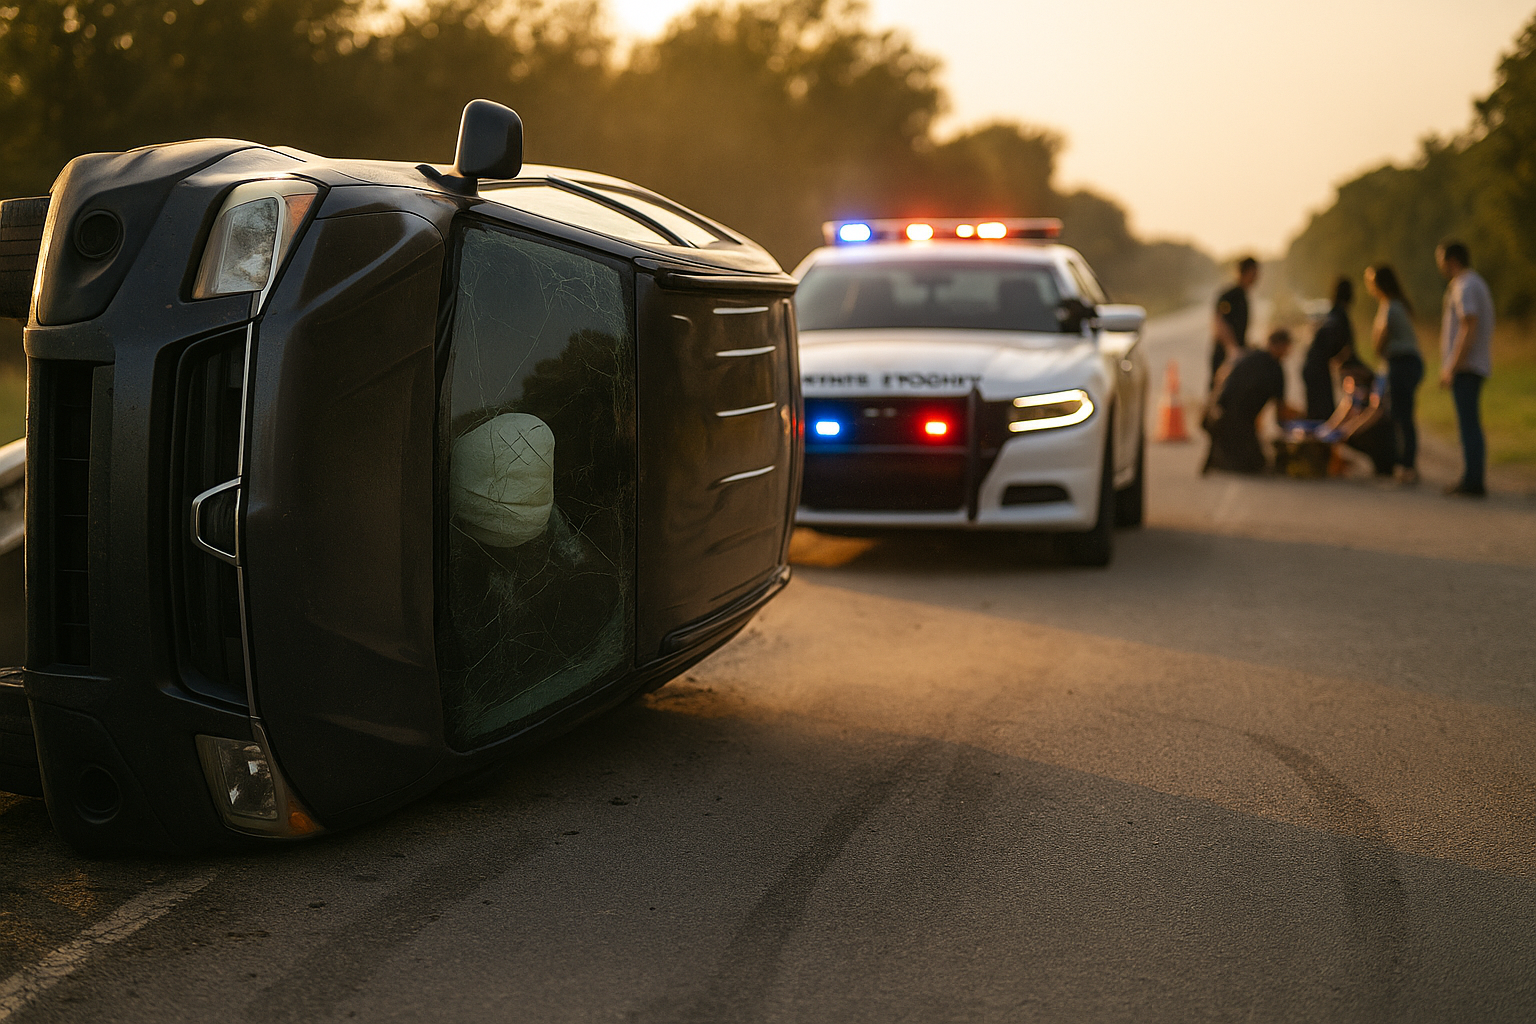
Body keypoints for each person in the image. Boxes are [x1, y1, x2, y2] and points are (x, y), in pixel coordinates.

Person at [1436, 241, 1494, 497]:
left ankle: (1473, 481)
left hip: (1467, 366)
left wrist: (1452, 366)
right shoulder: (1474, 282)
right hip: (1472, 365)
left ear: (1451, 260)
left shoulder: (1465, 285)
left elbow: (1468, 325)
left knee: (1468, 425)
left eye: (1440, 259)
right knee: (1471, 423)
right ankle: (1472, 477)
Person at [1203, 329, 1303, 474]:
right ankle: (1221, 458)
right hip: (1237, 421)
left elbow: (1224, 380)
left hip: (1224, 416)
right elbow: (1280, 409)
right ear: (1281, 345)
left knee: (1254, 460)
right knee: (1254, 465)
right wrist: (1300, 417)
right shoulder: (1275, 370)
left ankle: (1221, 455)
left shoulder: (1250, 356)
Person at [1366, 264, 1423, 483]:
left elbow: (1380, 340)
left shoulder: (1390, 307)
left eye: (1371, 282)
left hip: (1402, 364)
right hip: (1406, 363)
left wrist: (1378, 351)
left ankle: (1407, 466)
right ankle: (1405, 463)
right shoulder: (1396, 304)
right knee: (1402, 414)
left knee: (1402, 416)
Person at [1317, 364, 1395, 477]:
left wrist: (1350, 430)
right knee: (1339, 434)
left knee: (1384, 467)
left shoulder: (1377, 381)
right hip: (1371, 429)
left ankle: (1385, 463)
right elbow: (1348, 406)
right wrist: (1326, 429)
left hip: (1383, 433)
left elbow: (1376, 410)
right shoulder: (1356, 381)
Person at [1302, 277, 1357, 419]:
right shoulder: (1341, 316)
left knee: (1318, 410)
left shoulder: (1332, 313)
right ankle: (1321, 439)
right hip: (1318, 368)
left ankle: (1317, 437)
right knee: (1324, 413)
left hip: (1311, 365)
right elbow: (1349, 349)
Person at [1210, 256, 1259, 389]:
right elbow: (1219, 322)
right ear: (1244, 272)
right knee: (1218, 393)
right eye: (1254, 273)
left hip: (1238, 355)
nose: (1257, 277)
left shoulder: (1244, 296)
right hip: (1225, 355)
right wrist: (1232, 349)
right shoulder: (1230, 295)